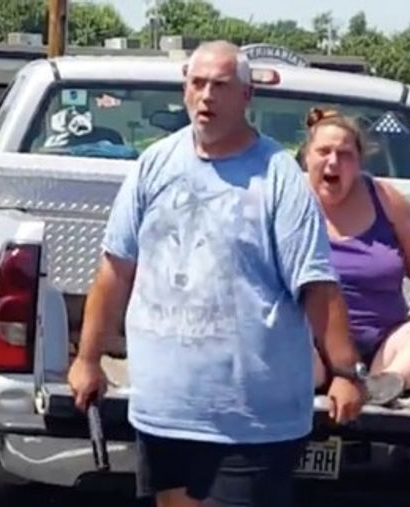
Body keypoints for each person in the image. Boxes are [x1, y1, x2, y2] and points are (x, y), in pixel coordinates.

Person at [67, 41, 367, 507]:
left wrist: (345, 372)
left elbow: (316, 286)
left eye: (221, 86)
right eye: (198, 83)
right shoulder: (154, 164)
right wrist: (88, 359)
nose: (206, 95)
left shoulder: (279, 178)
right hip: (164, 412)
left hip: (253, 421)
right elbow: (115, 269)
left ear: (246, 96)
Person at [298, 108, 410, 403]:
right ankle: (320, 382)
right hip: (309, 347)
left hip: (382, 346)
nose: (333, 162)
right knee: (276, 339)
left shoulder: (386, 198)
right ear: (306, 157)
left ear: (359, 160)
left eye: (345, 154)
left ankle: (378, 388)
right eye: (323, 152)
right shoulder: (287, 200)